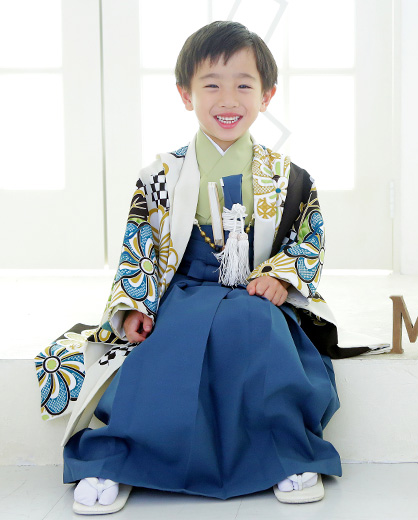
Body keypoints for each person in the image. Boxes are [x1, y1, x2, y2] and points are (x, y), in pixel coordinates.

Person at [60, 20, 368, 515]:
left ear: (267, 95)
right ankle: (122, 458)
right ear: (186, 94)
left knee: (261, 334)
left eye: (244, 85)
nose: (228, 99)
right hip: (182, 287)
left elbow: (307, 238)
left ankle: (286, 452)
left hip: (254, 289)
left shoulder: (288, 177)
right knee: (166, 348)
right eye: (211, 85)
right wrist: (135, 305)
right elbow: (139, 243)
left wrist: (281, 277)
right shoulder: (161, 175)